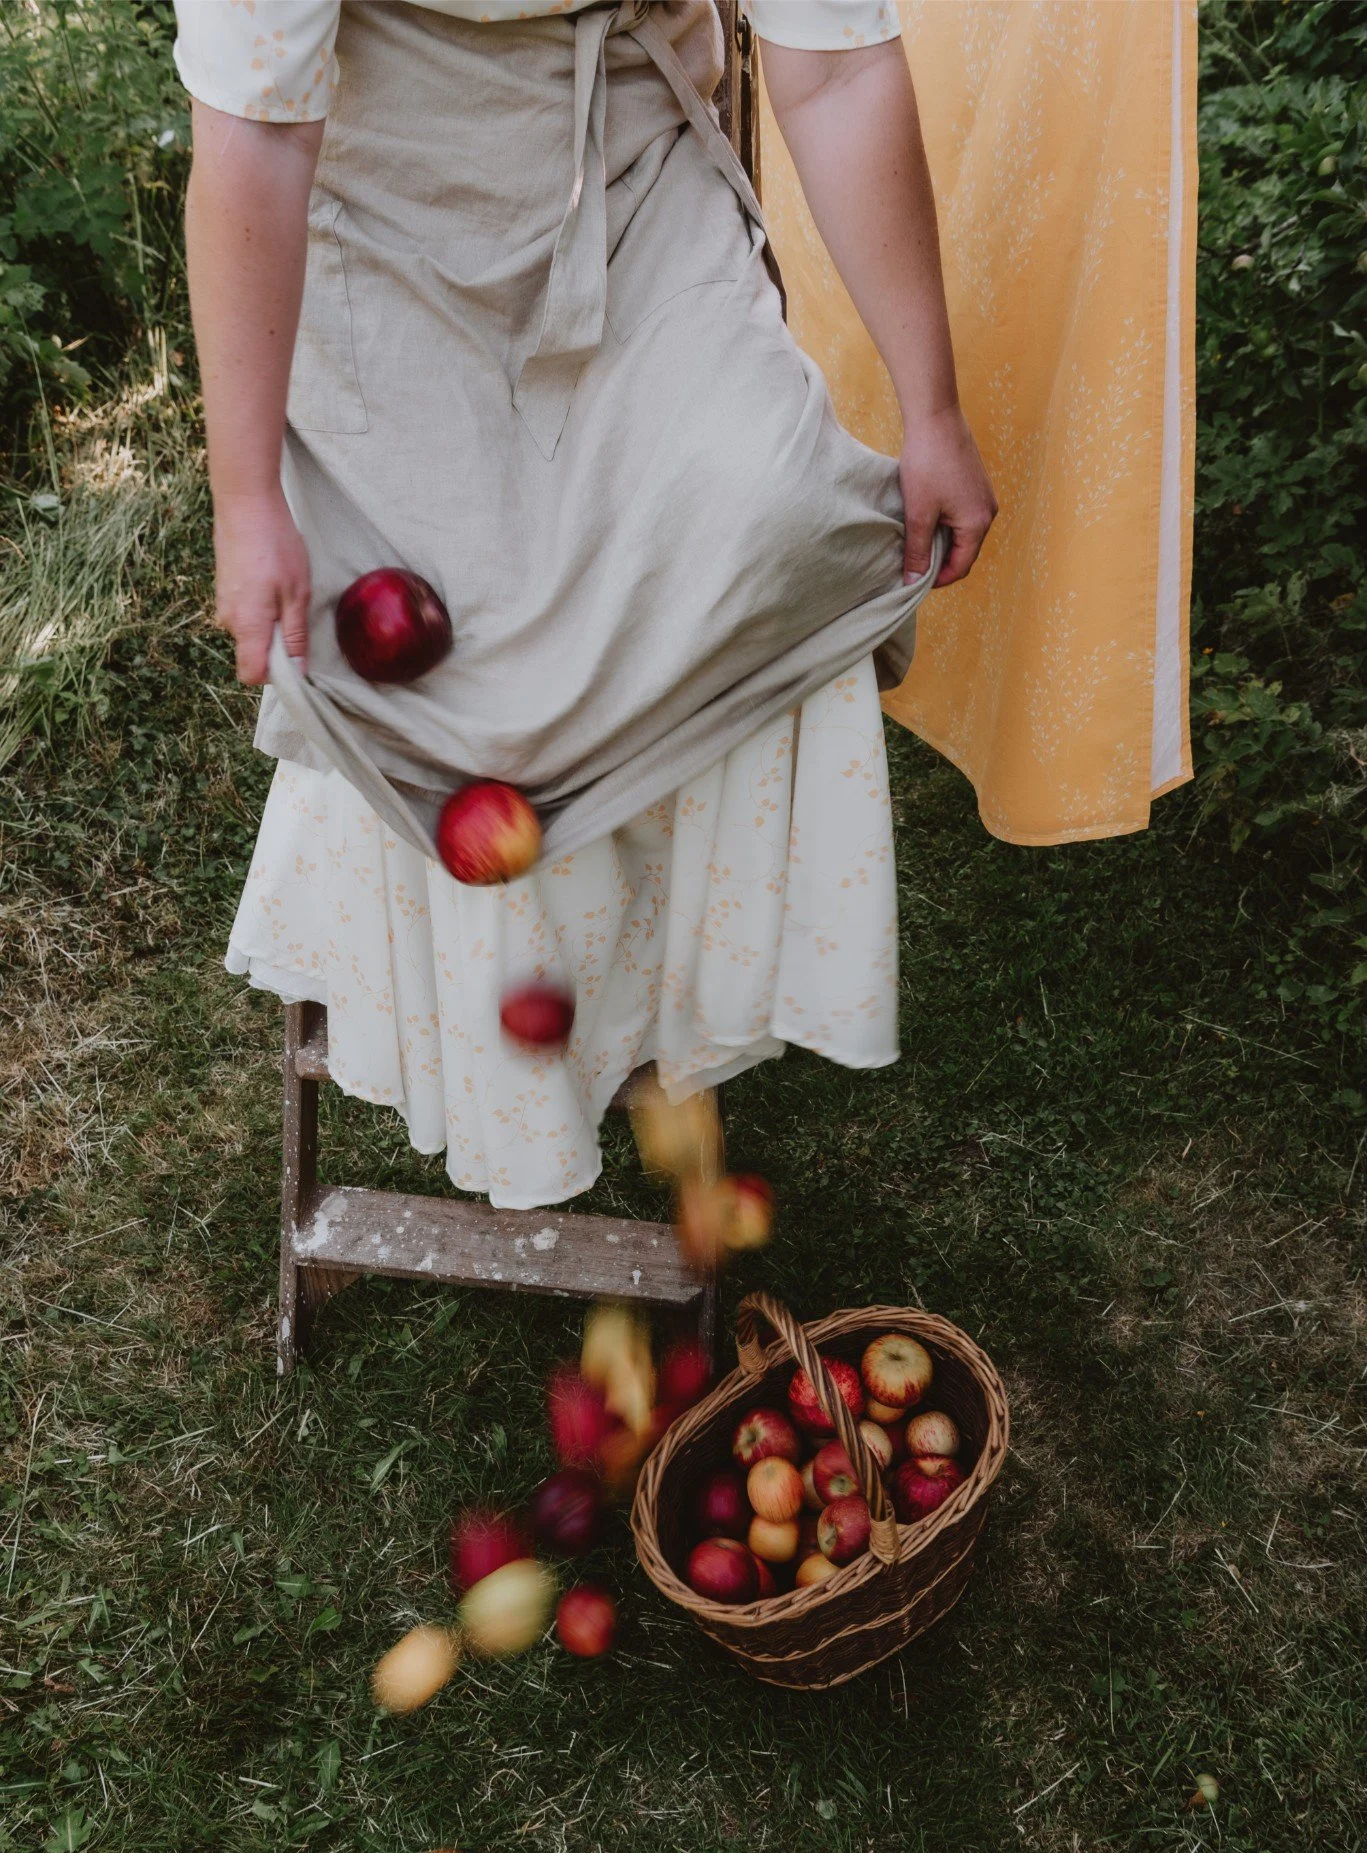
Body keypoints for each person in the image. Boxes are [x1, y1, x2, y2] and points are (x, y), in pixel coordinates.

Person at [175, 0, 995, 1208]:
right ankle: (496, 1040)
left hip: (631, 190)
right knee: (458, 661)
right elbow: (256, 138)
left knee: (767, 513)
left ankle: (687, 985)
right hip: (380, 227)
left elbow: (830, 73)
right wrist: (246, 495)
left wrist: (930, 410)